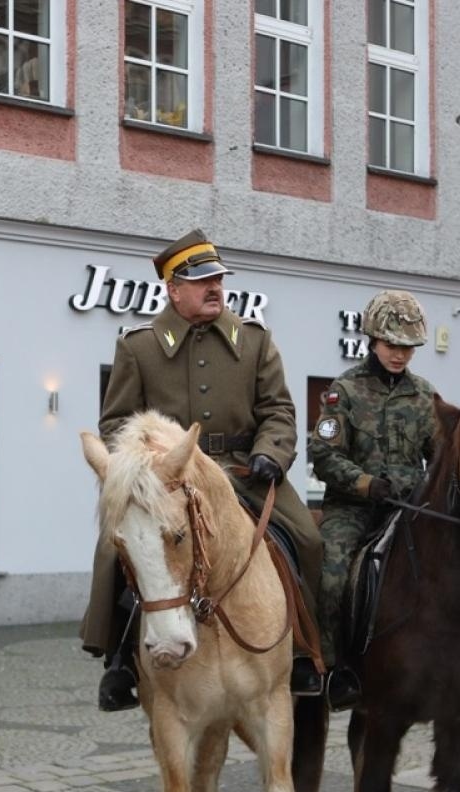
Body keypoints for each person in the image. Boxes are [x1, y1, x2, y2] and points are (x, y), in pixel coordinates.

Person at [81, 229, 323, 710]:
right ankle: (119, 661)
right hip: (168, 480)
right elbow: (115, 423)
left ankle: (306, 649)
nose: (214, 287)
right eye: (201, 280)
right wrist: (146, 467)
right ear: (173, 289)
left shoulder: (254, 341)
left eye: (218, 278)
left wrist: (271, 453)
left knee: (309, 541)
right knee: (115, 552)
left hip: (246, 473)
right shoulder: (140, 348)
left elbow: (278, 410)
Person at [308, 290, 440, 709]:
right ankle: (331, 668)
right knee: (330, 573)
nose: (400, 354)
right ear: (372, 340)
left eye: (407, 347)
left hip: (409, 507)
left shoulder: (424, 395)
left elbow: (440, 456)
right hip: (354, 507)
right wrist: (366, 484)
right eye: (392, 345)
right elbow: (324, 455)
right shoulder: (343, 391)